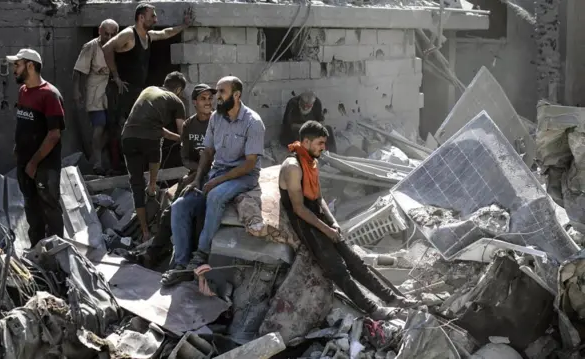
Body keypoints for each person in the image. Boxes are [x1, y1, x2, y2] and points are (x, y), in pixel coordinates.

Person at [279, 121, 416, 318]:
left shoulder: (311, 162)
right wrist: (326, 230)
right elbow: (299, 209)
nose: (323, 147)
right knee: (338, 269)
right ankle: (372, 309)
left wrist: (333, 221)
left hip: (319, 217)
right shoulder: (293, 167)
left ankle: (392, 299)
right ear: (306, 142)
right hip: (305, 224)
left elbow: (319, 198)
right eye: (319, 143)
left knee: (355, 262)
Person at [161, 76, 265, 285]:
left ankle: (200, 255)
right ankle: (181, 265)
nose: (217, 97)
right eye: (217, 91)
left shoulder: (253, 122)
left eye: (222, 92)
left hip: (243, 176)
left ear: (236, 95)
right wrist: (198, 180)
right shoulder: (216, 118)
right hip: (216, 172)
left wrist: (217, 182)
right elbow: (207, 152)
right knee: (181, 204)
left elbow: (249, 164)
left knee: (216, 196)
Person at [126, 83, 216, 270]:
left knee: (199, 211)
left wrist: (205, 167)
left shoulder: (218, 122)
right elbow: (185, 158)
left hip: (215, 174)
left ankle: (194, 260)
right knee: (170, 211)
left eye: (210, 98)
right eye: (203, 99)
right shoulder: (189, 125)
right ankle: (153, 254)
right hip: (195, 175)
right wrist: (197, 168)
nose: (208, 102)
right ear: (194, 102)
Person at [103, 3, 191, 171]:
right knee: (118, 126)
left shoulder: (148, 36)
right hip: (122, 89)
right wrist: (116, 76)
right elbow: (107, 48)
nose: (155, 19)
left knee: (136, 126)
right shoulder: (129, 34)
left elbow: (165, 33)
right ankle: (115, 166)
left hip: (136, 89)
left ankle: (134, 163)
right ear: (141, 17)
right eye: (152, 16)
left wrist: (184, 26)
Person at [7, 48, 65, 247]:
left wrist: (34, 162)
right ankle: (37, 252)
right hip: (25, 163)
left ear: (30, 66)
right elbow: (25, 123)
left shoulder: (49, 95)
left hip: (44, 166)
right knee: (32, 209)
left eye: (17, 64)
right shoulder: (23, 91)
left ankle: (57, 255)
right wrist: (19, 149)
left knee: (50, 209)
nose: (14, 68)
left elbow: (54, 134)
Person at [121, 72, 187, 242]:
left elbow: (154, 128)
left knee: (135, 184)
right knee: (155, 146)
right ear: (178, 89)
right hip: (150, 139)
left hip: (127, 137)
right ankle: (151, 187)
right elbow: (182, 132)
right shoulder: (176, 100)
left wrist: (176, 138)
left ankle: (144, 232)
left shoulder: (149, 90)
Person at [73, 19, 119, 173]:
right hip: (95, 89)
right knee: (99, 125)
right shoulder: (90, 47)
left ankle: (98, 156)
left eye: (113, 34)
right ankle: (97, 162)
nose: (109, 37)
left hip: (111, 90)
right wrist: (76, 90)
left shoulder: (118, 45)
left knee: (112, 126)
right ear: (100, 30)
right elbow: (78, 70)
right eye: (106, 34)